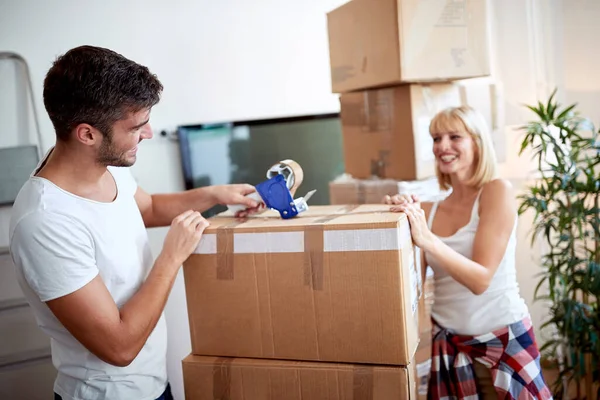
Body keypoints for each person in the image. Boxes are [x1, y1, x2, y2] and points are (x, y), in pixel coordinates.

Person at [8, 45, 261, 400]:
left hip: (153, 384)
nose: (149, 133)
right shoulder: (46, 223)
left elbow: (148, 207)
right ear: (88, 134)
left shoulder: (103, 165)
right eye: (137, 126)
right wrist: (171, 256)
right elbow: (120, 347)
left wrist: (214, 195)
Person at [384, 106, 552, 400]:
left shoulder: (496, 191)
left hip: (504, 341)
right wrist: (394, 219)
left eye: (454, 137)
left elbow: (481, 280)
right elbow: (412, 291)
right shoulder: (428, 209)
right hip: (450, 348)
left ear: (477, 141)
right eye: (436, 138)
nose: (442, 146)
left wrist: (427, 238)